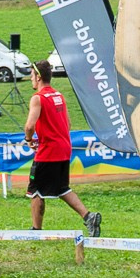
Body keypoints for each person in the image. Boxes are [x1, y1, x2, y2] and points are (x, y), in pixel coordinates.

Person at [23, 62, 100, 237]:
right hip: (64, 149)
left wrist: (29, 140)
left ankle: (36, 230)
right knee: (61, 188)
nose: (30, 80)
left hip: (48, 151)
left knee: (35, 190)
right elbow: (69, 124)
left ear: (38, 77)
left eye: (31, 76)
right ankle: (89, 217)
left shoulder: (38, 98)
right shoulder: (59, 96)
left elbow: (29, 126)